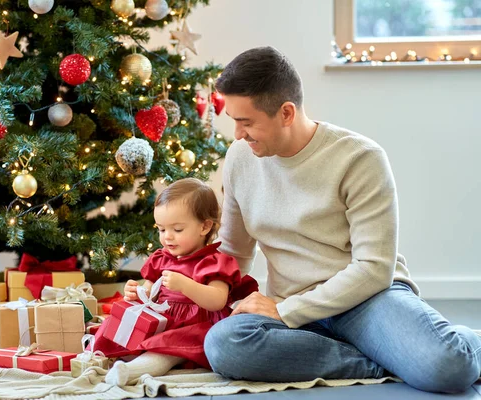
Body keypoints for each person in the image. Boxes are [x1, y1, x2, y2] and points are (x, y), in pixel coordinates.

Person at [204, 46, 481, 394]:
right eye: (234, 121)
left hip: (365, 300)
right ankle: (389, 359)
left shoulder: (360, 158)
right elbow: (234, 251)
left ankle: (458, 343)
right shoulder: (240, 159)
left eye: (246, 123)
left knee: (449, 366)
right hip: (287, 305)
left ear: (286, 113)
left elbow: (373, 268)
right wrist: (192, 295)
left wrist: (288, 310)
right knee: (223, 345)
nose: (238, 135)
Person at [93, 177, 257, 386]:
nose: (167, 237)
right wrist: (136, 294)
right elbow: (149, 294)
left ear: (205, 227)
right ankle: (105, 355)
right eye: (161, 229)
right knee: (115, 325)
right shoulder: (162, 259)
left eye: (177, 230)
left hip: (195, 327)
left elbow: (217, 300)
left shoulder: (214, 262)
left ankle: (133, 370)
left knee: (167, 346)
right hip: (162, 320)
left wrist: (185, 285)